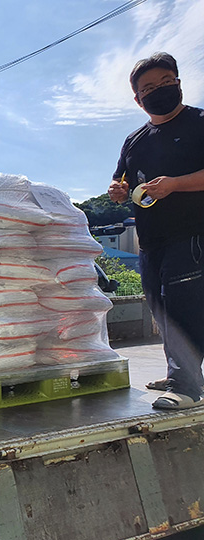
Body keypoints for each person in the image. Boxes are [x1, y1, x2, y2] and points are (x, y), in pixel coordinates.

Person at [108, 52, 204, 410]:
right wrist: (118, 192)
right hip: (150, 241)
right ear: (138, 99)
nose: (159, 90)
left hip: (192, 234)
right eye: (149, 87)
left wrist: (176, 184)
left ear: (178, 83)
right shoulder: (134, 141)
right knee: (162, 311)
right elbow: (120, 181)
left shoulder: (198, 122)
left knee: (183, 308)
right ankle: (179, 372)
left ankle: (187, 387)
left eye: (166, 81)